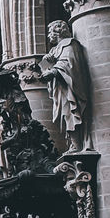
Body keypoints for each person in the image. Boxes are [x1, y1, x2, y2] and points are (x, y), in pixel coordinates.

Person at [39, 19, 92, 151]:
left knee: (70, 114)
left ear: (58, 31)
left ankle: (77, 145)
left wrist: (53, 71)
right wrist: (48, 65)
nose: (48, 35)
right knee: (65, 116)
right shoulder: (54, 50)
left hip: (70, 89)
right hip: (61, 89)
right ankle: (73, 143)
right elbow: (51, 67)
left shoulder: (69, 44)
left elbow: (70, 63)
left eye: (50, 32)